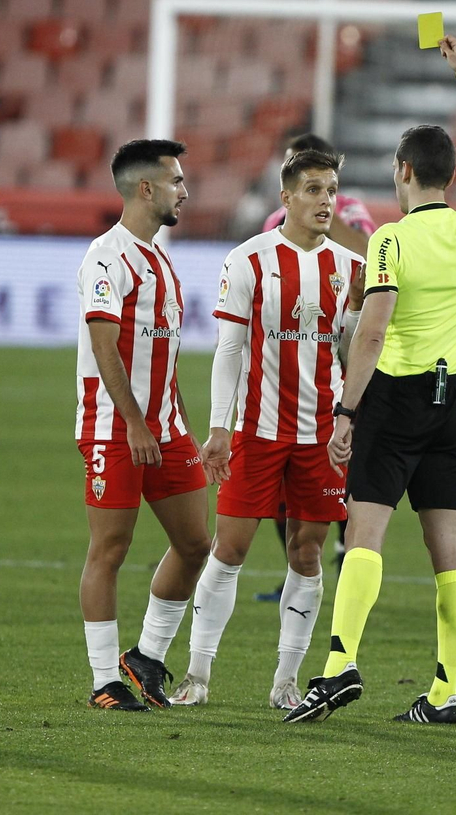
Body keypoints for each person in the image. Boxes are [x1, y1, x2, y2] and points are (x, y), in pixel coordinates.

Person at [283, 34, 456, 725]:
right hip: (451, 402)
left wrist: (347, 412)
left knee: (365, 536)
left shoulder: (391, 239)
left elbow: (372, 332)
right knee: (449, 547)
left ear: (405, 171)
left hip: (395, 399)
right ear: (451, 173)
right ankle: (444, 692)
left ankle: (340, 663)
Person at [170, 149, 364, 709]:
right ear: (285, 198)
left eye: (331, 190)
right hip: (256, 431)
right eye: (312, 190)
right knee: (229, 549)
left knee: (306, 554)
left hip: (320, 436)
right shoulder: (249, 260)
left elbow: (350, 348)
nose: (325, 200)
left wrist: (350, 418)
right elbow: (229, 348)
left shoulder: (348, 267)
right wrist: (218, 428)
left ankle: (286, 682)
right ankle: (198, 674)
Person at [76, 139, 210, 712]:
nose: (185, 189)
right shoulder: (107, 256)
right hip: (115, 426)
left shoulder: (159, 258)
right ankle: (105, 680)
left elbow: (164, 357)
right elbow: (105, 348)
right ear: (146, 188)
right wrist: (133, 422)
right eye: (177, 180)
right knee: (110, 548)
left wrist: (175, 419)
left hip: (165, 427)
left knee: (195, 542)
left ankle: (147, 656)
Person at [255, 133, 375, 601]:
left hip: (339, 354)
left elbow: (366, 253)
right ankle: (296, 568)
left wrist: (319, 216)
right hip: (285, 366)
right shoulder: (271, 223)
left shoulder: (349, 209)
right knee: (281, 484)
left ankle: (347, 553)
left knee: (343, 458)